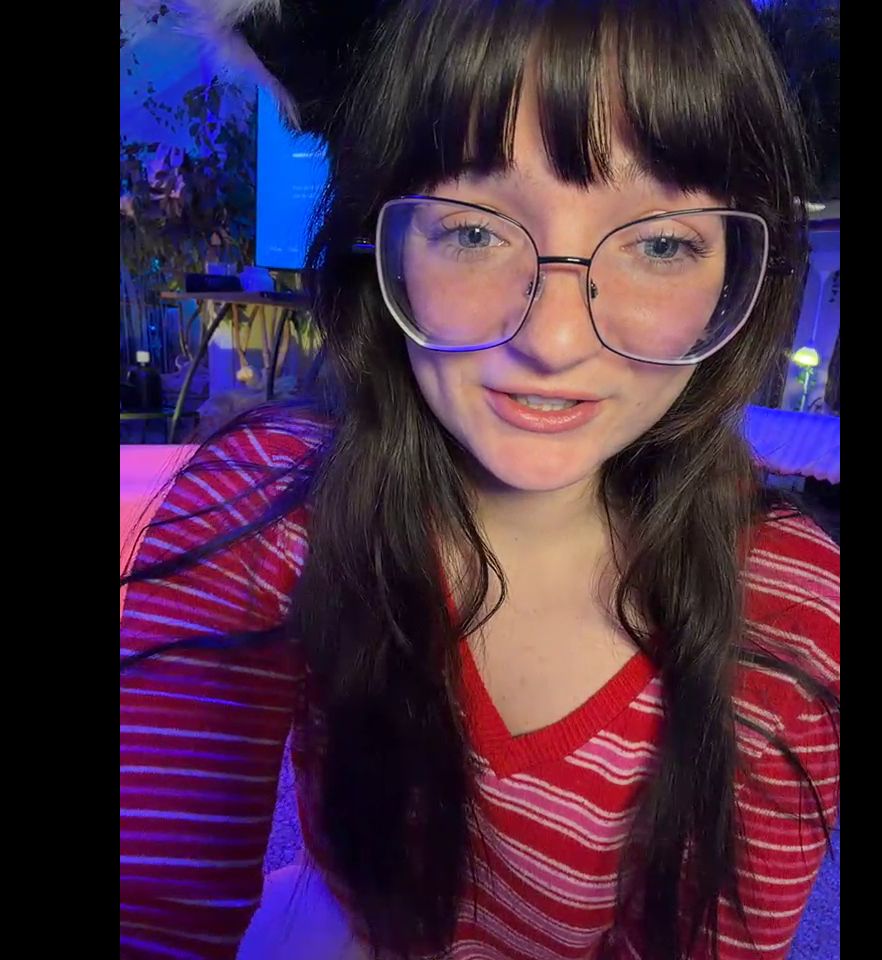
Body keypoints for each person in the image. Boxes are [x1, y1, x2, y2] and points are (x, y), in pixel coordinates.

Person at [120, 1, 840, 958]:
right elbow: (152, 910)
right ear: (383, 239)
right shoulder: (264, 502)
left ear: (738, 269)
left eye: (662, 242)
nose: (553, 339)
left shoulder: (794, 606)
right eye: (471, 231)